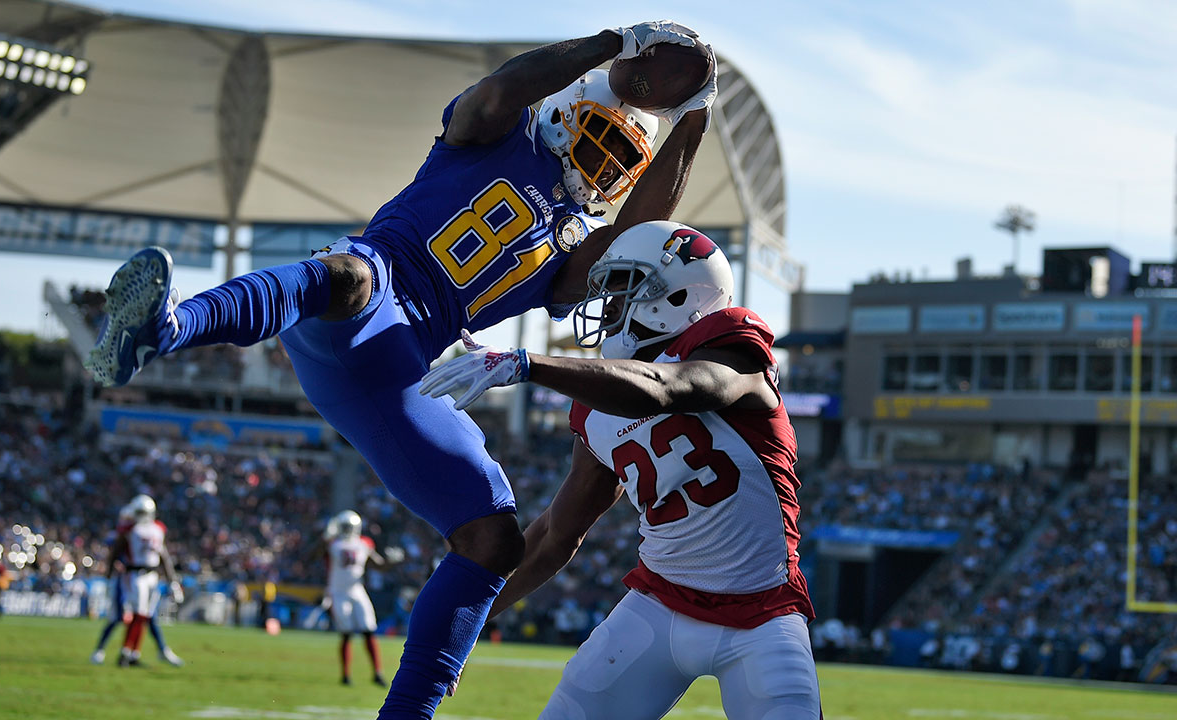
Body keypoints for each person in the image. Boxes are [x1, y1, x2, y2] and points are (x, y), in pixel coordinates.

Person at [85, 20, 717, 719]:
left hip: (406, 369)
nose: (604, 166)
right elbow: (501, 89)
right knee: (350, 274)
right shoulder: (499, 133)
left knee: (493, 535)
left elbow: (636, 240)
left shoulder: (571, 247)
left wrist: (693, 115)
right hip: (367, 294)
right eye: (601, 138)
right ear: (570, 110)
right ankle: (167, 329)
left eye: (621, 160)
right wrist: (611, 43)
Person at [421, 221, 822, 719]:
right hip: (659, 604)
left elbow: (671, 387)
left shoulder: (732, 348)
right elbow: (555, 535)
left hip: (764, 614)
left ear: (678, 297)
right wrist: (469, 628)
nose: (608, 308)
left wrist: (528, 364)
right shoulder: (597, 405)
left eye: (624, 288)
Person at [92, 501, 184, 667]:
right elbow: (115, 553)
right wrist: (108, 576)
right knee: (136, 614)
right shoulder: (129, 530)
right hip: (134, 575)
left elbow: (163, 556)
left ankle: (132, 653)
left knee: (146, 615)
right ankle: (125, 652)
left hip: (152, 575)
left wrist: (173, 581)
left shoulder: (157, 529)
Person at [326, 510, 387, 686]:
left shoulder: (364, 543)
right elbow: (311, 556)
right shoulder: (332, 543)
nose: (346, 530)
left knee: (369, 629)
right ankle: (345, 675)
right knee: (346, 633)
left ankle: (377, 673)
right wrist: (323, 538)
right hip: (338, 591)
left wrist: (395, 560)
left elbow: (379, 565)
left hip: (357, 590)